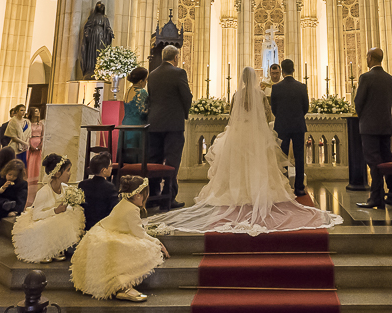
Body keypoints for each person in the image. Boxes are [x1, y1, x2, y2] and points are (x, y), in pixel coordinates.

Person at [144, 67, 342, 234]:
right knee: (258, 162)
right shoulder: (260, 95)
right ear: (255, 79)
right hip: (256, 134)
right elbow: (266, 115)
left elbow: (232, 114)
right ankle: (256, 190)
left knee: (238, 164)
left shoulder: (237, 95)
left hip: (239, 134)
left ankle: (238, 191)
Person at [70, 176, 170, 301]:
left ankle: (121, 287)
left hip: (98, 233)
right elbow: (139, 234)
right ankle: (123, 287)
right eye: (145, 194)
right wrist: (157, 242)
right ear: (138, 195)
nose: (146, 197)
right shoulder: (133, 209)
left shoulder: (123, 203)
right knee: (142, 248)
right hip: (108, 236)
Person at [12, 154, 86, 262]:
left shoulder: (65, 188)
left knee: (72, 214)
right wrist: (55, 211)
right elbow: (36, 216)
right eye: (68, 170)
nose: (70, 173)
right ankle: (47, 250)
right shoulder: (44, 192)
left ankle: (58, 247)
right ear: (57, 173)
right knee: (55, 221)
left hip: (57, 219)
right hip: (42, 221)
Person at [145, 45, 192, 210]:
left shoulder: (152, 75)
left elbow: (151, 96)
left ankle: (153, 197)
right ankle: (168, 199)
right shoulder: (179, 73)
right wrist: (184, 114)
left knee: (154, 160)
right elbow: (186, 96)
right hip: (173, 124)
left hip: (154, 123)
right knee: (172, 162)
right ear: (176, 57)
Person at [355, 48, 392, 209]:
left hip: (370, 127)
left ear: (371, 58)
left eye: (367, 56)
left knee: (374, 162)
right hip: (385, 125)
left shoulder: (366, 77)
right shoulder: (389, 78)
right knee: (388, 160)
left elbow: (358, 102)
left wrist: (364, 117)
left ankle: (376, 198)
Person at [270, 59, 309, 196]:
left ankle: (284, 186)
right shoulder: (302, 87)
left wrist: (282, 118)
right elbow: (306, 107)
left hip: (282, 126)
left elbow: (273, 109)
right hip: (298, 126)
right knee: (299, 157)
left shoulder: (276, 88)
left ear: (282, 71)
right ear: (293, 69)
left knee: (283, 157)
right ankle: (299, 187)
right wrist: (297, 117)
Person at [78, 152, 118, 230]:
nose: (111, 168)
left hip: (86, 224)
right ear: (103, 170)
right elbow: (114, 209)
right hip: (102, 225)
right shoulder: (110, 187)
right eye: (110, 166)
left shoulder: (82, 184)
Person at [120, 67, 149, 164]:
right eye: (146, 80)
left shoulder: (128, 90)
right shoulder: (141, 92)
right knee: (136, 153)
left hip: (125, 124)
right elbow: (142, 112)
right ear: (141, 81)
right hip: (137, 126)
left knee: (125, 152)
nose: (146, 82)